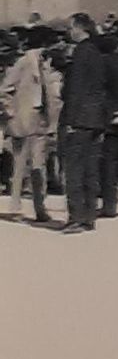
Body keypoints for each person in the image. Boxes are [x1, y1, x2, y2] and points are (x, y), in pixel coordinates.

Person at [1, 25, 59, 222]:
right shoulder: (23, 63)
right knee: (19, 166)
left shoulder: (44, 64)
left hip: (41, 118)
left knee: (39, 164)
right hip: (23, 118)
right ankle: (15, 207)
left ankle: (39, 207)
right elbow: (5, 89)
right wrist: (11, 113)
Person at [60, 13, 110, 233]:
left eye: (71, 27)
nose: (69, 31)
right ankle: (89, 215)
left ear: (81, 28)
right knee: (90, 169)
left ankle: (76, 217)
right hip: (95, 118)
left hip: (79, 118)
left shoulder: (80, 53)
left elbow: (75, 89)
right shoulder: (98, 53)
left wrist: (70, 119)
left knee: (74, 169)